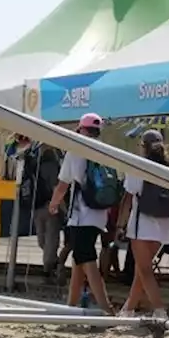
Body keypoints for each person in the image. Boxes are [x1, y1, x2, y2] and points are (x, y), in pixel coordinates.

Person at [46, 113, 117, 315]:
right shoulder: (105, 150)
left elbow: (63, 184)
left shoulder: (76, 150)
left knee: (86, 258)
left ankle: (106, 307)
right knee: (79, 259)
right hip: (100, 212)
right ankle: (71, 306)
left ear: (81, 128)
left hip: (81, 214)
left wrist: (54, 204)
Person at [116, 130, 169, 319]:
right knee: (142, 271)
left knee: (144, 271)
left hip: (142, 225)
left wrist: (120, 226)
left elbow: (127, 198)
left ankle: (159, 311)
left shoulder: (139, 167)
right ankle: (128, 309)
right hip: (164, 226)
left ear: (143, 147)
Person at [25, 140, 64, 283]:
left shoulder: (35, 163)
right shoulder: (51, 164)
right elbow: (56, 186)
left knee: (44, 241)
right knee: (49, 241)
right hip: (48, 206)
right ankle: (54, 264)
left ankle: (48, 269)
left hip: (40, 206)